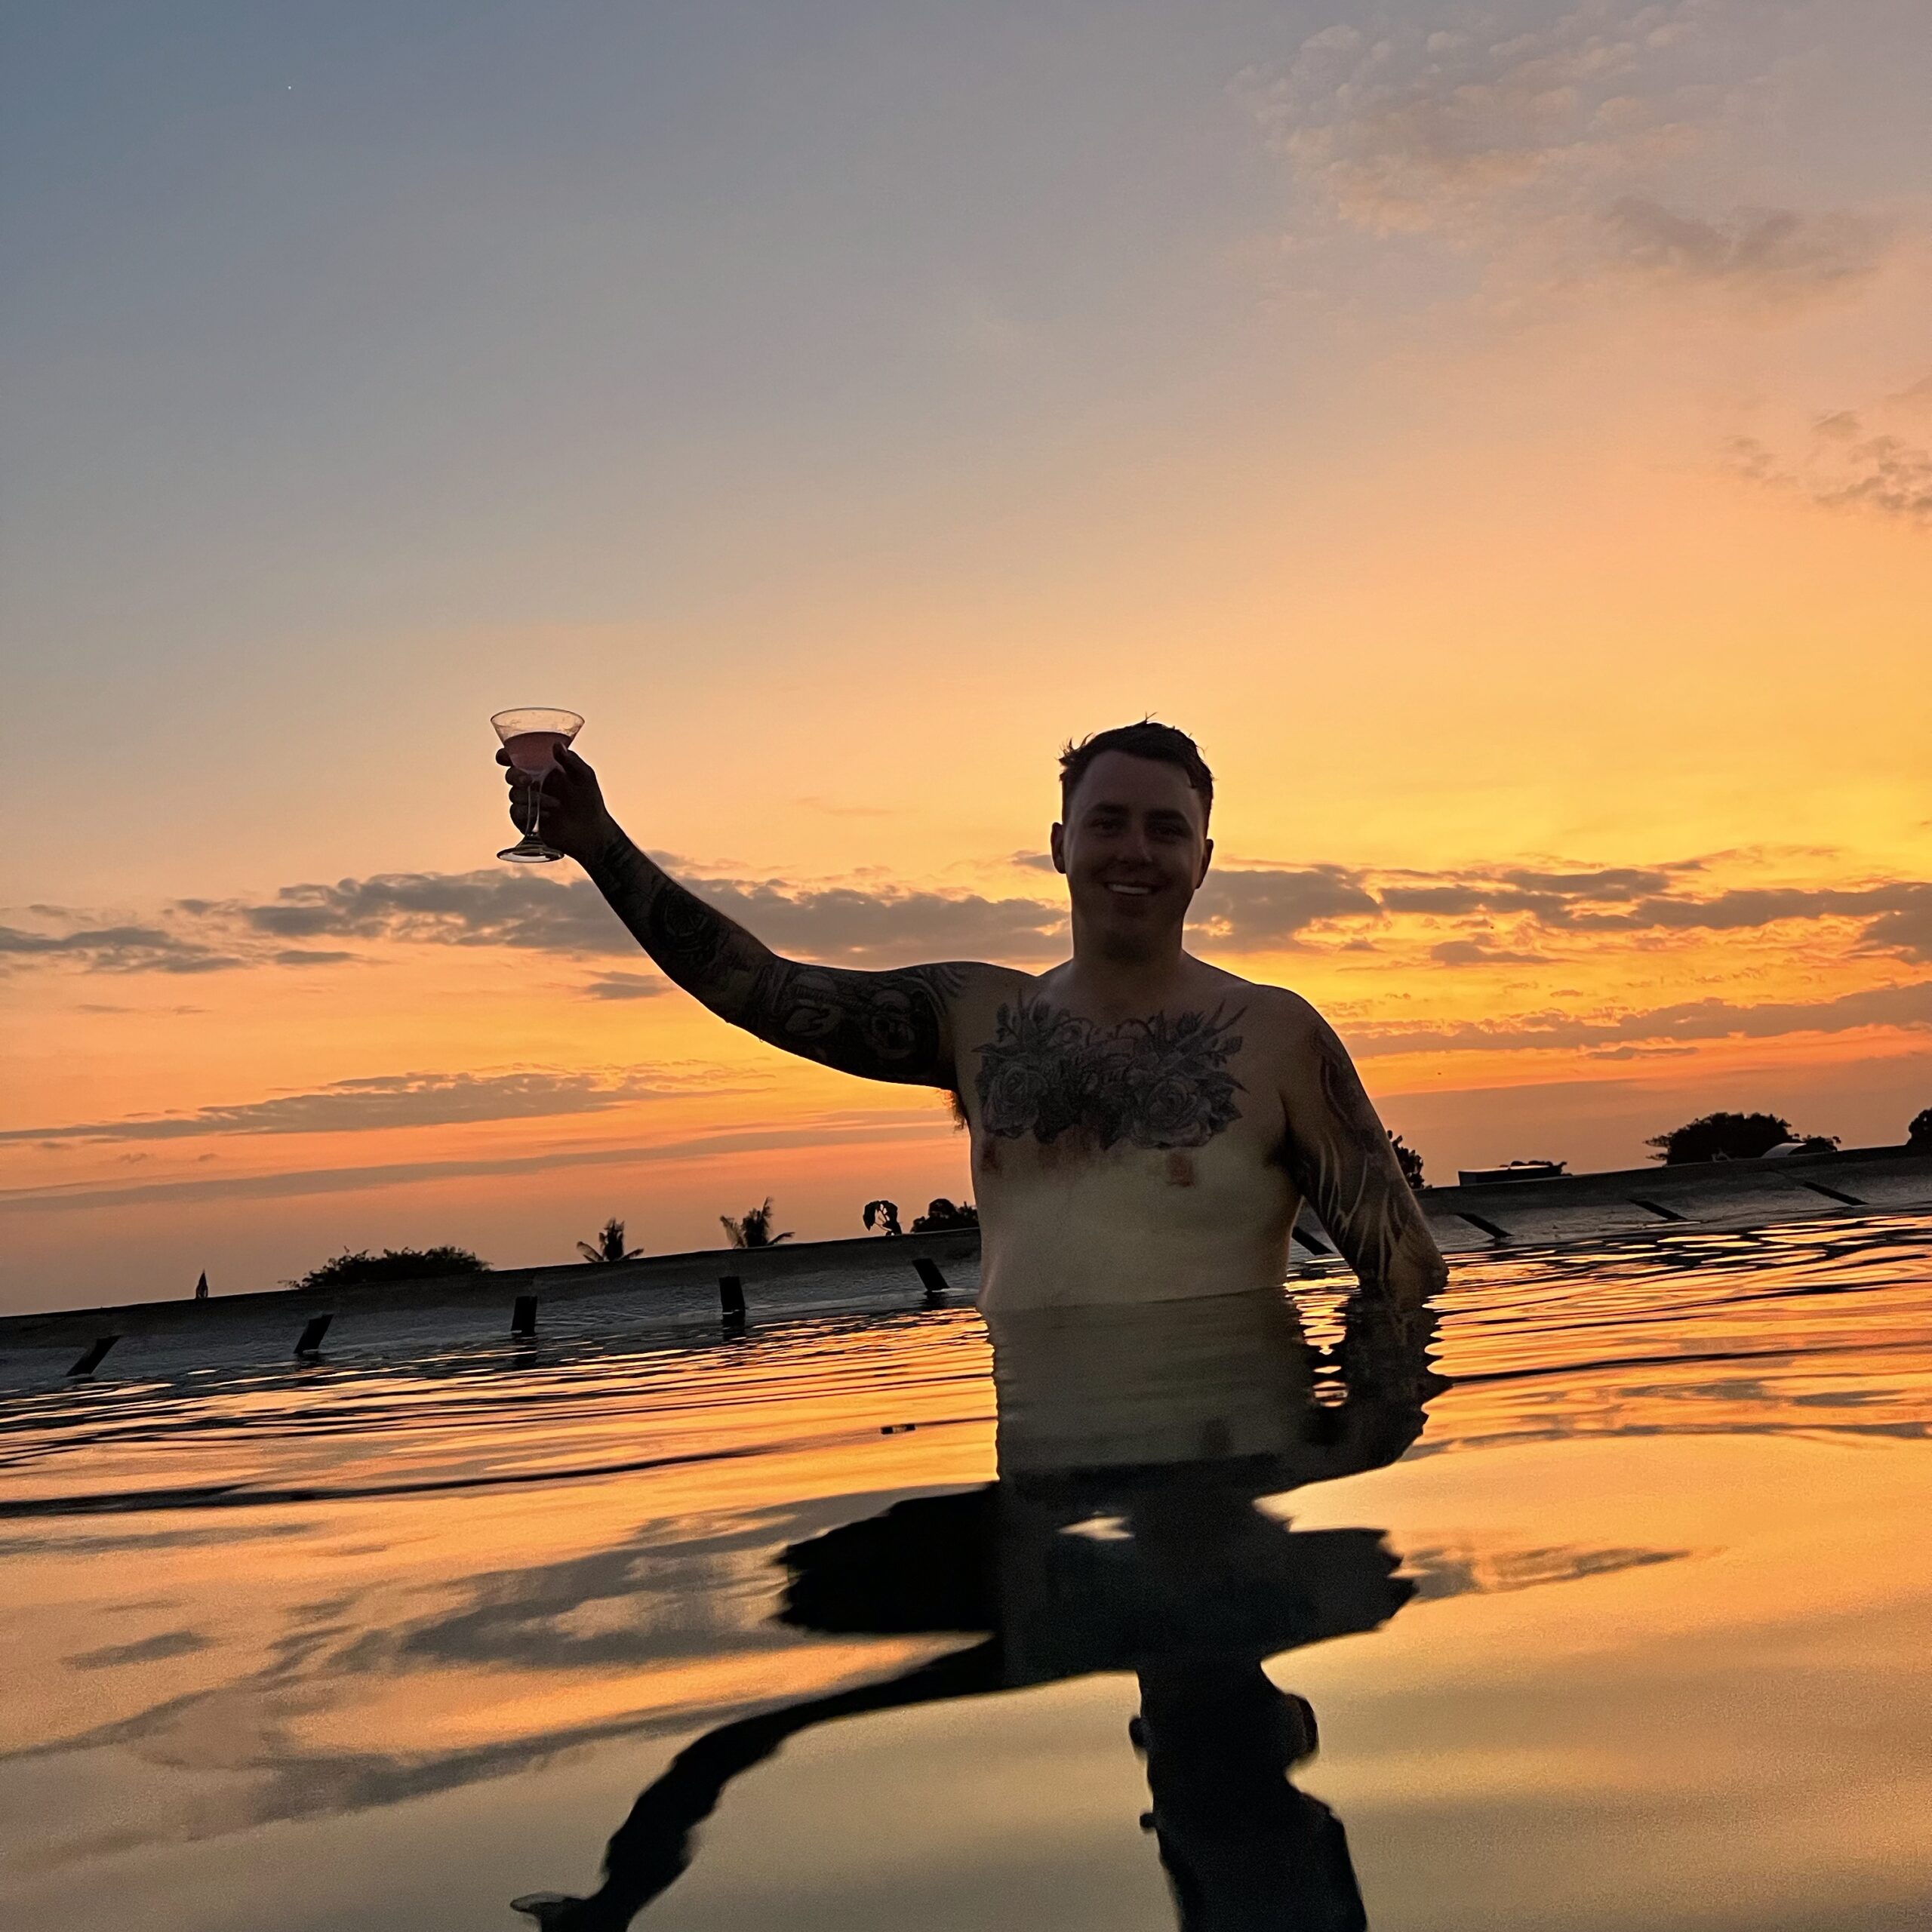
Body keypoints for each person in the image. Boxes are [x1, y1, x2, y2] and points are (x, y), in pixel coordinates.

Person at [500, 719, 1446, 1312]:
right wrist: (597, 844)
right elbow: (762, 991)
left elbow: (1403, 1276)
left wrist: (1337, 1482)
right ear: (1058, 845)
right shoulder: (980, 1020)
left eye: (1167, 830)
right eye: (1107, 822)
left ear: (1203, 859)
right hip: (1036, 1507)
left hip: (1222, 1479)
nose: (1135, 850)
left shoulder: (1275, 1036)